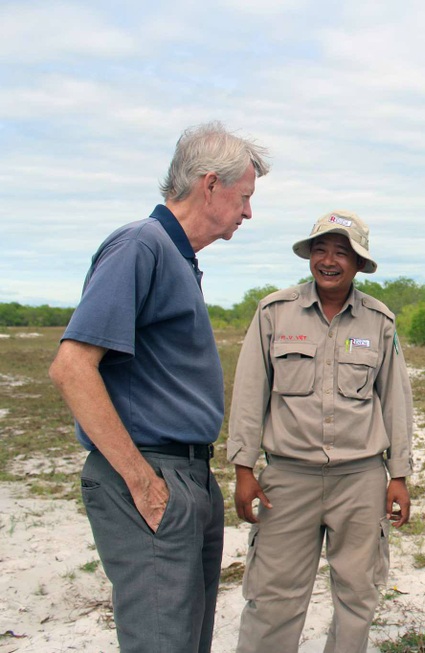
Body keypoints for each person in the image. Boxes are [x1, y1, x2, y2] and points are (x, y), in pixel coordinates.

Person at [48, 122, 270, 652]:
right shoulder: (139, 245)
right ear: (210, 184)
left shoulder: (178, 259)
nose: (247, 213)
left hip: (187, 473)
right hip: (151, 473)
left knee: (187, 640)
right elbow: (72, 366)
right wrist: (142, 482)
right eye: (244, 198)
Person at [228, 210, 413, 653]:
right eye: (321, 250)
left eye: (341, 252)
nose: (329, 260)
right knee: (273, 596)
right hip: (287, 481)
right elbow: (250, 392)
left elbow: (395, 402)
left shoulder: (379, 321)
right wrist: (243, 468)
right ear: (309, 256)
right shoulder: (275, 312)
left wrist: (399, 476)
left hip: (360, 480)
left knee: (358, 594)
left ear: (359, 264)